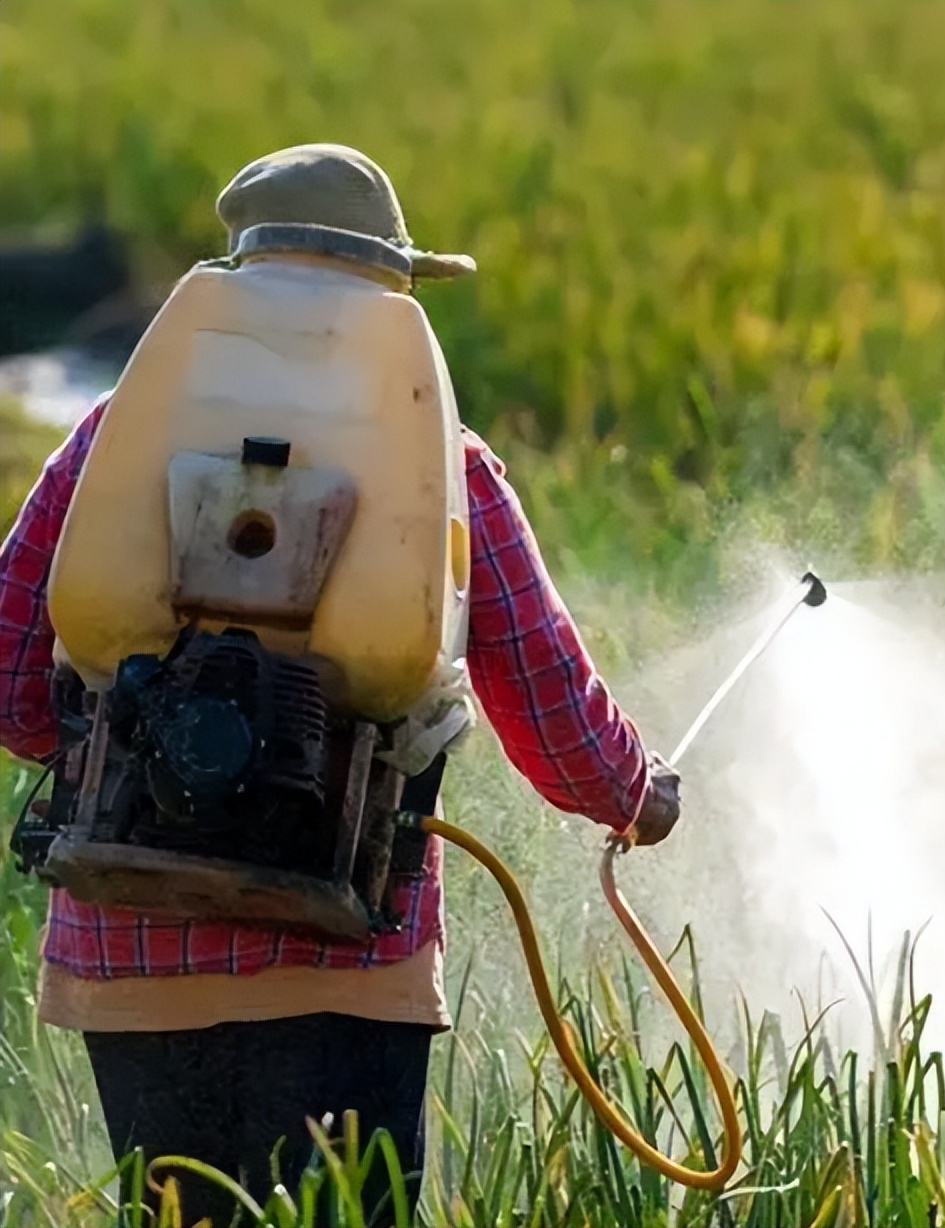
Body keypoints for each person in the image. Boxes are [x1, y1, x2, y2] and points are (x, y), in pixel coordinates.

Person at [0, 144, 681, 1227]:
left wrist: (103, 739)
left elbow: (10, 679)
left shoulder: (106, 443)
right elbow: (547, 696)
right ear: (389, 289)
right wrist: (635, 794)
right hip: (344, 957)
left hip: (124, 960)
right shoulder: (442, 466)